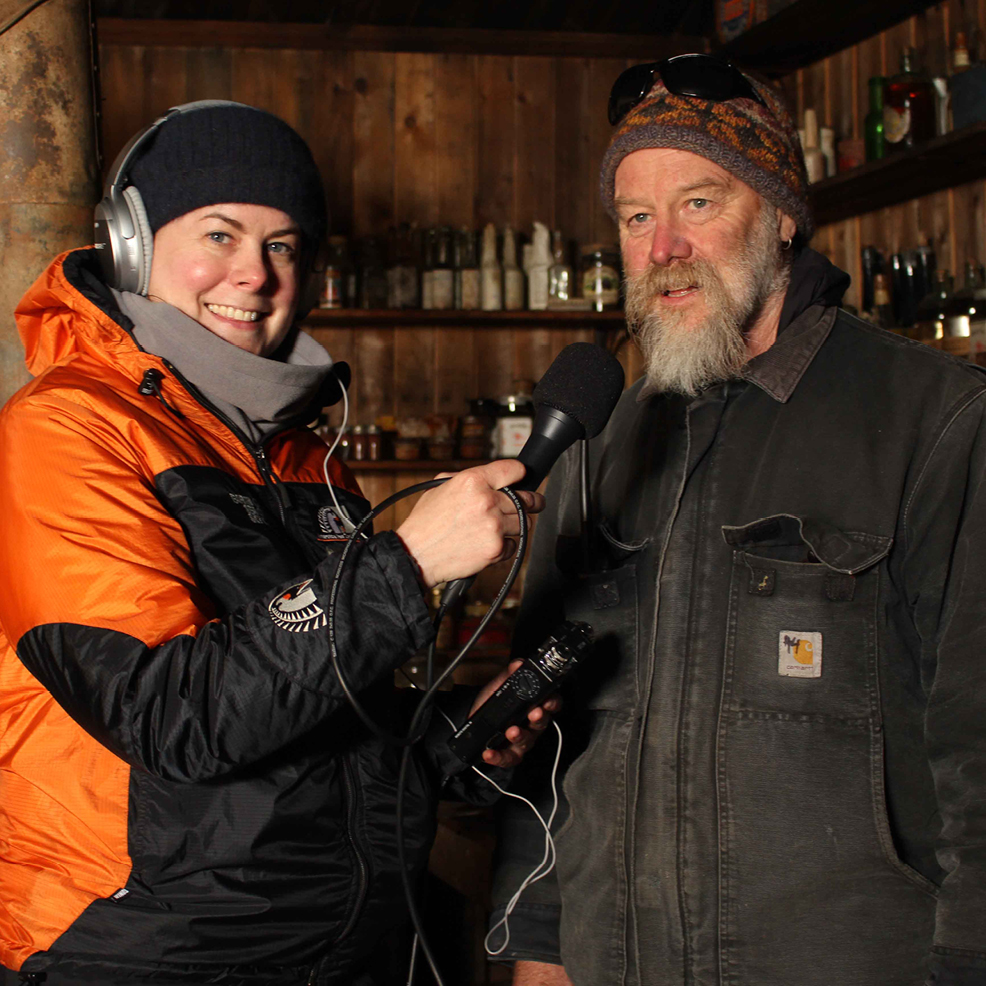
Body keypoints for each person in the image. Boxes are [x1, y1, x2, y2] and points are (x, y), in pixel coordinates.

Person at [0, 101, 552, 985]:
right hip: (145, 956)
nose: (254, 274)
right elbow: (169, 712)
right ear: (131, 244)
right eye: (219, 235)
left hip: (340, 950)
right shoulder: (63, 430)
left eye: (283, 245)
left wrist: (443, 744)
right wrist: (404, 566)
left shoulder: (300, 454)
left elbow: (308, 703)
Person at [490, 53, 986, 986]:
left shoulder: (936, 421)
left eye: (699, 204)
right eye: (638, 218)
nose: (664, 247)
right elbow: (547, 737)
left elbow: (981, 751)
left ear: (783, 216)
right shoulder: (599, 442)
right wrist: (537, 946)